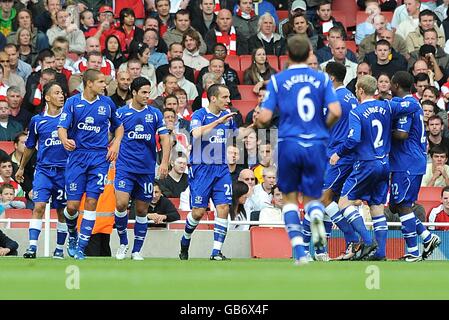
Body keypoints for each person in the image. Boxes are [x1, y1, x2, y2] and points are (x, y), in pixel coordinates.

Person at [256, 34, 341, 265]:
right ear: (308, 53)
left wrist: (258, 122)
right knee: (313, 196)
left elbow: (264, 117)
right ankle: (315, 216)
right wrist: (321, 128)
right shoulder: (322, 79)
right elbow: (336, 110)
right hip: (315, 143)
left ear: (289, 55)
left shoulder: (277, 80)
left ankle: (300, 253)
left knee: (290, 198)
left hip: (289, 143)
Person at [330, 74, 421, 261]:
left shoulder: (357, 112)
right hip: (384, 163)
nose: (355, 92)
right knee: (376, 207)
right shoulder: (386, 105)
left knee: (343, 202)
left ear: (361, 90)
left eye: (356, 90)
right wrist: (397, 101)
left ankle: (367, 240)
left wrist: (338, 153)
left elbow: (353, 139)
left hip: (365, 164)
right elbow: (411, 105)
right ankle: (380, 253)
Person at [58, 69, 124, 260]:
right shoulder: (73, 103)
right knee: (72, 206)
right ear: (89, 83)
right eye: (101, 82)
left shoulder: (107, 103)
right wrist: (64, 140)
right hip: (77, 157)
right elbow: (62, 128)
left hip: (99, 158)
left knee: (92, 202)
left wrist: (116, 143)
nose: (105, 85)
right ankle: (72, 234)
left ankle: (81, 247)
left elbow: (118, 126)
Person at [113, 77, 170, 261]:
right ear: (134, 92)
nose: (147, 96)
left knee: (142, 210)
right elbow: (111, 136)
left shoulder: (154, 114)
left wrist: (164, 162)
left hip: (145, 170)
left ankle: (137, 250)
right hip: (124, 167)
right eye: (143, 92)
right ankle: (123, 243)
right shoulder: (121, 113)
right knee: (121, 204)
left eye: (149, 92)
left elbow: (165, 139)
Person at [179, 84, 237, 261]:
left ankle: (216, 252)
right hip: (201, 168)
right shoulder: (200, 115)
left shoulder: (229, 118)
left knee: (223, 207)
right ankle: (185, 239)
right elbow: (196, 133)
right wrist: (218, 122)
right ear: (213, 98)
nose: (228, 101)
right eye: (224, 97)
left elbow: (229, 138)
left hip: (221, 168)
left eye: (229, 97)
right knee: (198, 212)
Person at [388, 71, 441, 261]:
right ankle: (427, 237)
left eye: (390, 84)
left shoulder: (408, 106)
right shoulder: (410, 106)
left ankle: (412, 250)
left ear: (396, 85)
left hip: (407, 162)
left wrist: (386, 131)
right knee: (397, 206)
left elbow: (401, 134)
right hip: (409, 161)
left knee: (403, 206)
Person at [18, 82, 69, 259]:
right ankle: (32, 247)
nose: (61, 96)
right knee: (38, 206)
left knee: (62, 211)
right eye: (56, 93)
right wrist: (22, 167)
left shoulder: (69, 118)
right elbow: (30, 145)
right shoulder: (37, 121)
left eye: (62, 93)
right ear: (47, 97)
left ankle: (59, 249)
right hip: (44, 171)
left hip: (64, 172)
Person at [319, 62, 361, 261]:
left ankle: (351, 236)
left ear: (331, 78)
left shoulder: (334, 99)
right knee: (333, 201)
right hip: (349, 155)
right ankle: (322, 250)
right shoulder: (351, 97)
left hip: (337, 155)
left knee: (323, 198)